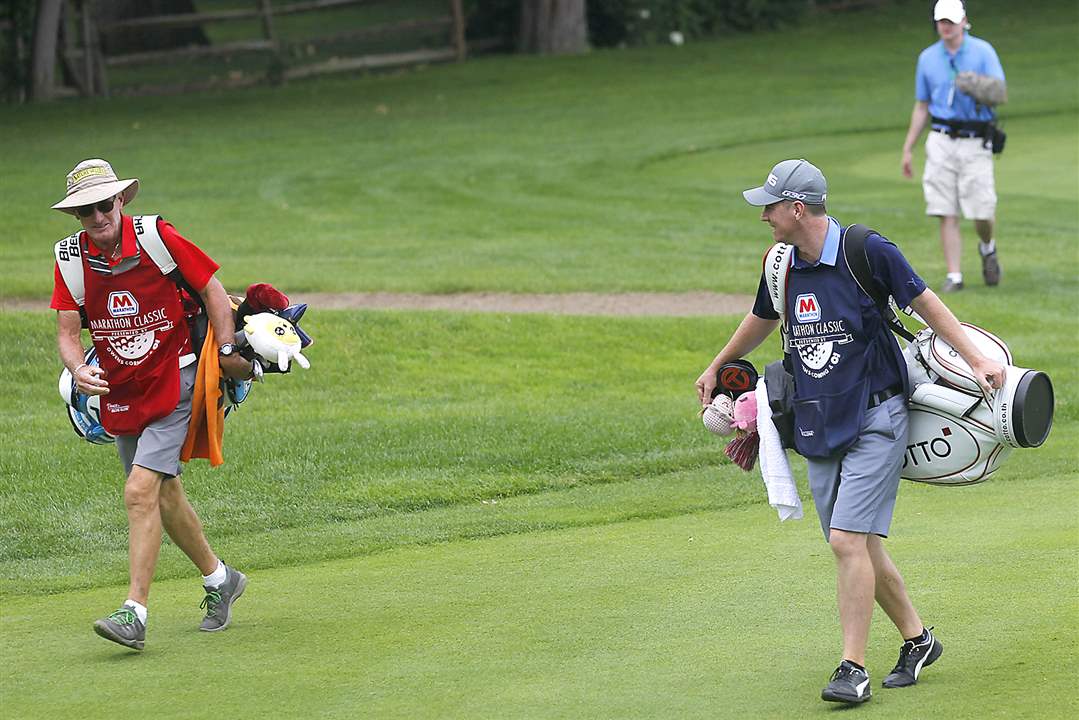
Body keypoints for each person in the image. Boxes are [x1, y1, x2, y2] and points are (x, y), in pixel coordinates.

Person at [695, 159, 1004, 705]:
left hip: (876, 415)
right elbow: (763, 317)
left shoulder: (867, 250)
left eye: (771, 206)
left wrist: (975, 357)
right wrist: (719, 363)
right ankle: (918, 639)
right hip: (818, 420)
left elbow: (924, 302)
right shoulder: (779, 264)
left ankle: (852, 669)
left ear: (797, 207)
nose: (763, 215)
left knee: (845, 540)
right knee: (853, 544)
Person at [50, 159, 252, 651]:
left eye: (104, 204)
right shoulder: (71, 259)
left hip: (177, 378)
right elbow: (67, 332)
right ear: (76, 215)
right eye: (85, 210)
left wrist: (225, 352)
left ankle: (134, 613)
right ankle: (221, 578)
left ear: (120, 201)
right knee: (163, 495)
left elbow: (213, 289)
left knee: (141, 490)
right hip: (121, 390)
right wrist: (79, 370)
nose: (97, 216)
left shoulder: (157, 236)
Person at [901, 0, 1006, 293]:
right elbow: (922, 106)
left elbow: (1000, 93)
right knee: (945, 209)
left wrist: (976, 85)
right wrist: (908, 147)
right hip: (941, 138)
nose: (946, 26)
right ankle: (955, 275)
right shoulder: (928, 58)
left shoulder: (983, 51)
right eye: (941, 21)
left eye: (951, 21)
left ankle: (987, 246)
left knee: (982, 210)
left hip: (975, 138)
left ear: (964, 21)